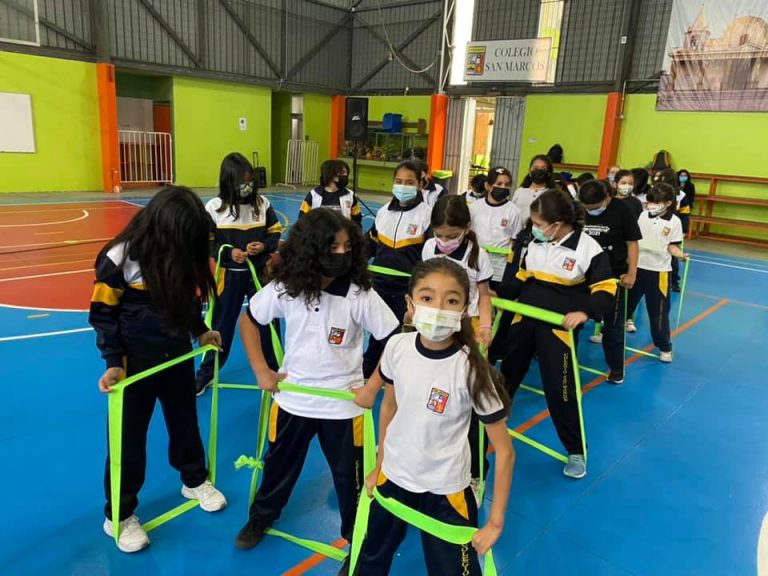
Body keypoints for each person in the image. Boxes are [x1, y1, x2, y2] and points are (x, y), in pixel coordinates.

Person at [234, 209, 399, 576]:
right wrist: (261, 369)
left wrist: (372, 386)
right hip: (292, 400)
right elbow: (249, 320)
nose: (341, 254)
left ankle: (356, 540)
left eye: (347, 247)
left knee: (350, 480)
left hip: (343, 408)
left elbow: (394, 340)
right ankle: (262, 516)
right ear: (310, 248)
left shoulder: (359, 294)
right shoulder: (287, 288)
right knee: (278, 465)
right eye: (332, 247)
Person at [353, 258, 515, 576]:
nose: (438, 309)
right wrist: (379, 465)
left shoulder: (471, 369)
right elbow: (389, 407)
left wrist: (495, 522)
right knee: (371, 559)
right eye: (427, 298)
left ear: (464, 310)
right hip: (393, 477)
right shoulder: (397, 346)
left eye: (451, 301)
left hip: (446, 489)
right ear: (410, 304)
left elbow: (505, 452)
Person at [90, 186, 227, 554]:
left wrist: (200, 331)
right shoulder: (118, 258)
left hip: (176, 356)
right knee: (128, 440)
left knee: (185, 423)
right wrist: (113, 362)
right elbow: (103, 315)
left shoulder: (179, 254)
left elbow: (185, 304)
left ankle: (194, 480)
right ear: (166, 228)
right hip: (133, 366)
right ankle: (119, 515)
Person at [497, 189, 616, 479]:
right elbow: (522, 276)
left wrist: (585, 312)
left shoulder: (588, 249)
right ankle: (496, 417)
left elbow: (605, 290)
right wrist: (498, 294)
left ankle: (575, 450)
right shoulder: (535, 243)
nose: (534, 229)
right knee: (506, 375)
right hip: (525, 319)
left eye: (539, 224)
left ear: (558, 223)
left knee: (560, 389)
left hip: (558, 328)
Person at [196, 153, 283, 395]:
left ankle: (275, 370)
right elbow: (207, 243)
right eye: (242, 181)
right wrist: (228, 252)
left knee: (268, 323)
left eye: (250, 180)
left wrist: (263, 246)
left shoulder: (262, 204)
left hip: (260, 275)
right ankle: (207, 373)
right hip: (229, 277)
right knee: (221, 325)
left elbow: (275, 233)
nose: (247, 185)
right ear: (229, 181)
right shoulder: (214, 208)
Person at [363, 160, 432, 377]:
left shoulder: (427, 214)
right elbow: (370, 244)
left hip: (408, 290)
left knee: (407, 335)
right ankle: (369, 370)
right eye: (399, 181)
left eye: (409, 182)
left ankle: (405, 375)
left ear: (420, 184)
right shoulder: (383, 212)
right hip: (380, 285)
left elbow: (431, 256)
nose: (403, 186)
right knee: (378, 333)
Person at [578, 180, 642, 384]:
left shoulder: (622, 210)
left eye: (595, 207)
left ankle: (616, 368)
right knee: (574, 318)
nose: (591, 211)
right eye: (588, 208)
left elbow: (632, 243)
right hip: (583, 274)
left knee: (613, 327)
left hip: (613, 276)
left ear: (607, 197)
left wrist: (631, 273)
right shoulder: (579, 211)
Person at [626, 183, 688, 362]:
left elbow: (672, 246)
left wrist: (680, 254)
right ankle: (609, 332)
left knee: (658, 312)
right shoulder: (642, 215)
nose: (651, 206)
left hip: (659, 272)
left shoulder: (674, 222)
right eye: (650, 202)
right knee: (625, 304)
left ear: (668, 203)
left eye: (656, 203)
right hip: (636, 268)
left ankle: (664, 347)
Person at [299, 159, 362, 226]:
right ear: (331, 174)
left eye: (346, 173)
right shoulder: (314, 194)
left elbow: (357, 218)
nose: (345, 175)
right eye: (342, 173)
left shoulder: (350, 195)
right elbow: (302, 217)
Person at [511, 154, 558, 222]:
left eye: (543, 169)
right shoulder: (520, 191)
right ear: (529, 171)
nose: (539, 171)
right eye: (535, 168)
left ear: (549, 173)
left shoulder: (552, 194)